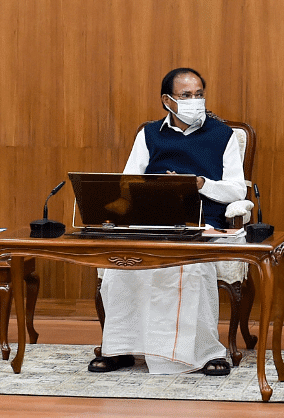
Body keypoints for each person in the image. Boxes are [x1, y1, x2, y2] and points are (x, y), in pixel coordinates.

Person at [91, 67, 248, 375]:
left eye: (199, 95)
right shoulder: (149, 133)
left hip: (202, 223)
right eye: (186, 96)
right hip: (152, 221)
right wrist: (152, 189)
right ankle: (120, 349)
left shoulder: (222, 135)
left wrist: (200, 183)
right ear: (167, 100)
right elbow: (128, 181)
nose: (195, 101)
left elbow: (237, 188)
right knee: (120, 266)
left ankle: (206, 353)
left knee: (192, 268)